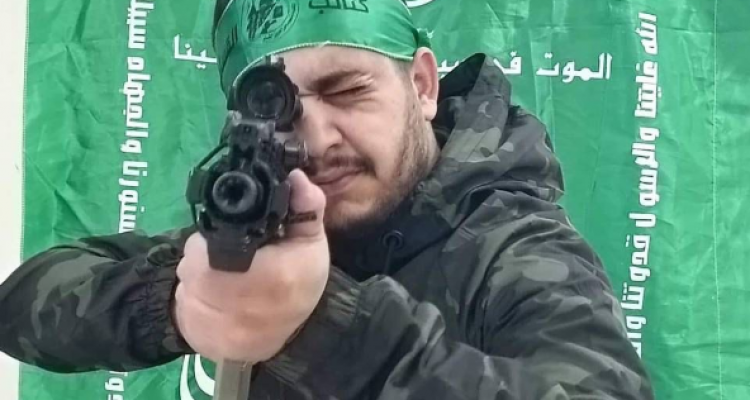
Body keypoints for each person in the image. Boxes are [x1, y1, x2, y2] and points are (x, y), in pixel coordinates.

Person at [0, 0, 655, 398]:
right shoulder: (265, 227)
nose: (315, 137)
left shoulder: (510, 250)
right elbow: (24, 304)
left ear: (423, 86)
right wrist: (175, 303)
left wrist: (320, 326)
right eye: (278, 110)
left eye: (346, 91)